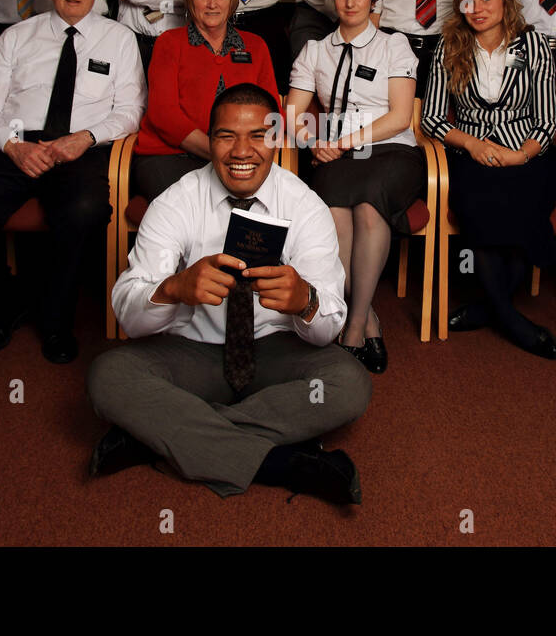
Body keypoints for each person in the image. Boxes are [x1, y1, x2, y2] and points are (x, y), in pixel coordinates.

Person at [89, 82, 371, 504]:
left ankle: (159, 438)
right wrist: (174, 289)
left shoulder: (304, 205)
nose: (242, 152)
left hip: (277, 350)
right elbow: (129, 316)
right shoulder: (177, 201)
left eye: (258, 136)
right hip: (193, 352)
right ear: (211, 140)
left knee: (348, 383)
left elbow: (326, 328)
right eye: (226, 136)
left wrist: (306, 302)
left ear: (275, 138)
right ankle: (282, 462)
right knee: (108, 376)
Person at [0, 0, 145, 364]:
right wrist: (12, 146)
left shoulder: (119, 38)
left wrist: (85, 137)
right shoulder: (17, 36)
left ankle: (55, 322)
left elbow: (130, 110)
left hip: (80, 149)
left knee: (83, 211)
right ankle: (1, 307)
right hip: (14, 146)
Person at [285, 0, 423, 374]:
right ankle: (367, 317)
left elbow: (400, 117)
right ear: (333, 0)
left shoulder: (394, 45)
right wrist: (313, 142)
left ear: (373, 0)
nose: (350, 2)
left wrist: (343, 142)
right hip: (334, 153)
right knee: (332, 216)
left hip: (390, 150)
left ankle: (352, 325)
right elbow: (292, 114)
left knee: (368, 208)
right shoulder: (315, 50)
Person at [421, 0, 556, 359]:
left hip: (525, 152)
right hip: (470, 153)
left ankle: (488, 308)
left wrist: (521, 155)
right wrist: (473, 144)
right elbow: (432, 117)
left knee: (525, 200)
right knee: (480, 202)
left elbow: (548, 120)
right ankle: (511, 318)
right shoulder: (450, 46)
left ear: (504, 0)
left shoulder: (534, 45)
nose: (477, 8)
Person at [132, 0, 279, 200]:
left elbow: (272, 113)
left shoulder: (255, 46)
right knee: (204, 204)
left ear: (232, 1)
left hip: (241, 157)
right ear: (190, 0)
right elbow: (163, 114)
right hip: (170, 156)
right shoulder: (169, 43)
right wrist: (221, 152)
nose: (212, 4)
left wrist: (241, 152)